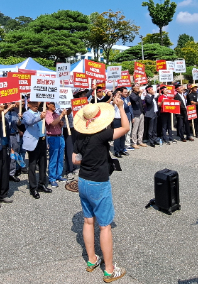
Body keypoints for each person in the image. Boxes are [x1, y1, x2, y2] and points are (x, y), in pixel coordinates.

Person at [72, 95, 129, 283]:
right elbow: (126, 128)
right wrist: (120, 108)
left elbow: (74, 160)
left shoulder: (78, 135)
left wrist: (86, 160)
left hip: (83, 181)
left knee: (88, 221)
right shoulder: (102, 134)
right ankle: (109, 270)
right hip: (99, 182)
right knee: (105, 226)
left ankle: (91, 260)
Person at [21, 101, 51, 199]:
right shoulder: (26, 114)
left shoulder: (40, 112)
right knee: (32, 164)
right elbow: (29, 122)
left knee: (43, 164)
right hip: (33, 142)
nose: (35, 105)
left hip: (42, 140)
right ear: (28, 104)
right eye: (32, 103)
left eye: (36, 103)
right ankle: (33, 187)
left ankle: (42, 184)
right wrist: (40, 117)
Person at [45, 101, 68, 187]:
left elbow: (57, 123)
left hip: (60, 136)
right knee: (54, 157)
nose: (54, 106)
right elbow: (52, 123)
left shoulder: (55, 114)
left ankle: (59, 175)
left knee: (60, 157)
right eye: (52, 104)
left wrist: (61, 124)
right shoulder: (47, 113)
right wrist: (61, 115)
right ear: (48, 105)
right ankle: (52, 178)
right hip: (52, 137)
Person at [5, 102, 24, 181]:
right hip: (6, 136)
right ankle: (5, 172)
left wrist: (20, 119)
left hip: (14, 135)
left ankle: (12, 173)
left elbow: (17, 123)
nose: (11, 104)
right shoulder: (4, 112)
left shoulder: (15, 113)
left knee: (14, 154)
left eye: (12, 103)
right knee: (6, 154)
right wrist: (8, 109)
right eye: (9, 103)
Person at [129, 84, 146, 149]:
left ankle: (140, 141)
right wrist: (139, 94)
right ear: (133, 88)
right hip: (135, 113)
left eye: (139, 87)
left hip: (141, 112)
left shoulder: (138, 94)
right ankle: (134, 142)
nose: (139, 88)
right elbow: (134, 100)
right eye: (137, 87)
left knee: (141, 128)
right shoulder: (132, 95)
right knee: (135, 128)